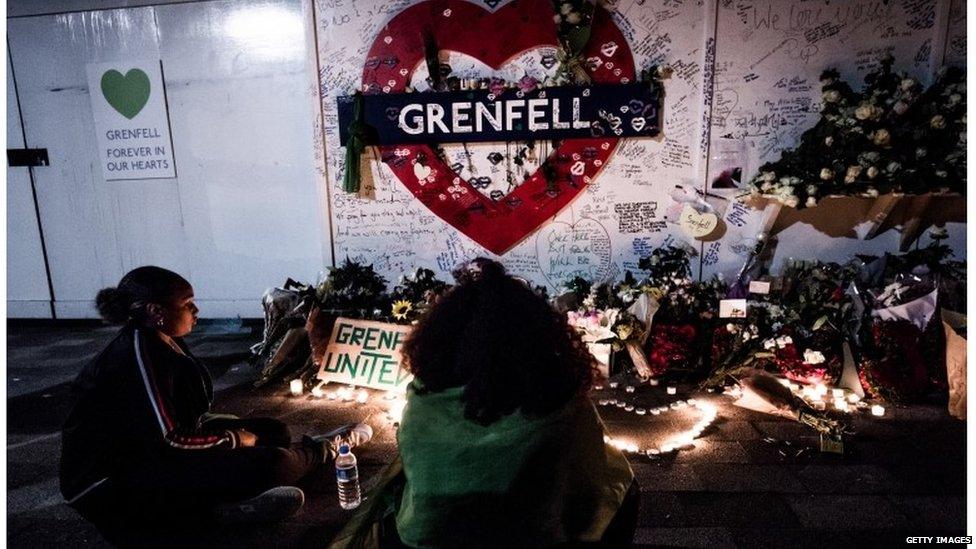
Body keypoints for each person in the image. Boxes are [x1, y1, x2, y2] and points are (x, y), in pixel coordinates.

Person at [331, 258, 637, 548]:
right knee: (622, 483)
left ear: (444, 336)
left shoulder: (424, 398)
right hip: (534, 540)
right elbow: (589, 490)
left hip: (425, 539)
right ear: (537, 337)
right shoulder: (561, 403)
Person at [60, 266, 368, 538]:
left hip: (150, 456)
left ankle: (227, 502)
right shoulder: (138, 355)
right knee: (275, 461)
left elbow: (176, 419)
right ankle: (324, 450)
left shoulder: (158, 338)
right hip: (117, 488)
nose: (195, 310)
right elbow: (170, 439)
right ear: (156, 311)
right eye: (187, 304)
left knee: (273, 432)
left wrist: (230, 435)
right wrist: (231, 439)